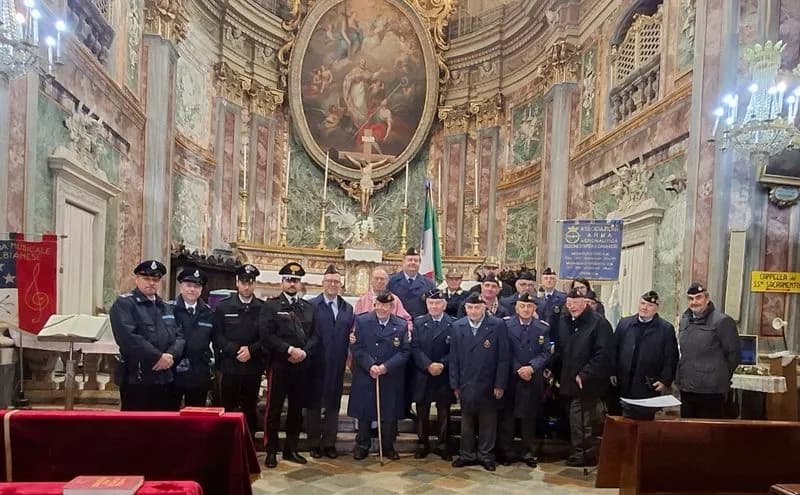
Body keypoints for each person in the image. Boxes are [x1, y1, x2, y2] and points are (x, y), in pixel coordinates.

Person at [261, 262, 317, 468]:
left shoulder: (308, 308)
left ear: (301, 283)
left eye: (296, 280)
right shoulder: (271, 306)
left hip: (301, 365)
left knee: (295, 409)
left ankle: (291, 449)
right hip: (280, 364)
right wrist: (288, 350)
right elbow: (266, 335)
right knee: (274, 409)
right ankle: (271, 450)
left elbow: (315, 336)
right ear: (282, 282)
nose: (292, 283)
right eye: (289, 280)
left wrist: (303, 352)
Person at [110, 260, 185, 411]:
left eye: (155, 279)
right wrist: (158, 357)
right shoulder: (125, 304)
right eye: (146, 279)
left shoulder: (165, 307)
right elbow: (128, 338)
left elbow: (180, 336)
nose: (151, 283)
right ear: (136, 279)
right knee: (136, 428)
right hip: (138, 378)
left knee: (164, 427)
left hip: (165, 378)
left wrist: (170, 355)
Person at [550, 288, 612, 467]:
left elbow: (603, 354)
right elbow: (561, 350)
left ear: (585, 303)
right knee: (573, 417)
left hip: (587, 381)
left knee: (581, 419)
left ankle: (584, 454)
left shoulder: (598, 323)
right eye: (569, 304)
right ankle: (577, 451)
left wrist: (585, 374)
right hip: (567, 379)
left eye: (576, 303)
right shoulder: (564, 321)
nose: (573, 307)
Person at [450, 293, 509, 471]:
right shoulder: (457, 326)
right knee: (466, 420)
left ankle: (485, 455)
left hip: (489, 382)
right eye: (470, 307)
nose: (473, 311)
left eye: (477, 307)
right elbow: (453, 359)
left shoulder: (497, 325)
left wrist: (500, 384)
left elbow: (503, 357)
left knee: (488, 421)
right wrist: (455, 384)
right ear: (465, 308)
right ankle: (466, 454)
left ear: (484, 307)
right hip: (466, 382)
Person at [348, 292, 410, 461]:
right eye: (380, 305)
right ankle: (362, 445)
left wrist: (385, 367)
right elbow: (357, 347)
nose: (383, 308)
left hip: (390, 375)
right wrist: (371, 365)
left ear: (392, 306)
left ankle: (388, 446)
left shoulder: (401, 324)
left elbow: (404, 352)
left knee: (389, 413)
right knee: (365, 411)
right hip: (367, 373)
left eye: (387, 305)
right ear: (374, 304)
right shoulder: (362, 321)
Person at [306, 265, 355, 459]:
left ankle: (329, 443)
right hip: (316, 362)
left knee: (333, 404)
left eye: (336, 281)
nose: (332, 285)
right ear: (323, 283)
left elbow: (349, 333)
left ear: (340, 284)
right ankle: (314, 443)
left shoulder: (347, 307)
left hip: (337, 362)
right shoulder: (311, 305)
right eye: (329, 281)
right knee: (314, 404)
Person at [211, 264, 265, 435]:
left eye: (250, 282)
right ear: (237, 282)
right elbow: (217, 336)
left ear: (255, 284)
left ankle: (248, 444)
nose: (247, 286)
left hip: (252, 366)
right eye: (243, 282)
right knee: (228, 406)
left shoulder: (263, 308)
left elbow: (267, 337)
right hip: (230, 366)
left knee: (250, 407)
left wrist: (252, 350)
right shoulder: (223, 307)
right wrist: (235, 350)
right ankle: (227, 443)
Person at [497, 293, 550, 467]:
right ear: (516, 307)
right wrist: (518, 368)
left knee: (529, 417)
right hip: (512, 377)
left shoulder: (542, 328)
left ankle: (528, 452)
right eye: (522, 306)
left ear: (534, 308)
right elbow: (504, 351)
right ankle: (507, 452)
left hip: (532, 378)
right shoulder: (506, 325)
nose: (526, 309)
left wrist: (531, 367)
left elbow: (545, 353)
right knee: (508, 418)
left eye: (529, 306)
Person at [676, 283, 741, 419]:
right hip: (688, 388)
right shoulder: (684, 321)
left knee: (710, 435)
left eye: (698, 297)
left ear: (707, 299)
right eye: (691, 298)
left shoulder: (722, 321)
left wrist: (719, 375)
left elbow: (734, 355)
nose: (694, 302)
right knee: (688, 433)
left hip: (712, 391)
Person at [612, 291, 678, 420]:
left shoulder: (665, 329)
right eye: (642, 303)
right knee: (622, 420)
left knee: (644, 421)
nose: (644, 308)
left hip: (648, 384)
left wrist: (665, 380)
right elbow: (614, 349)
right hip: (624, 382)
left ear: (656, 308)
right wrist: (612, 371)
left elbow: (671, 357)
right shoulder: (625, 324)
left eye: (649, 305)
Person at [411, 289, 455, 460]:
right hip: (424, 372)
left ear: (444, 305)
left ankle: (443, 444)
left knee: (444, 410)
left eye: (437, 303)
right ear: (426, 305)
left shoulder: (453, 324)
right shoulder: (419, 323)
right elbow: (415, 348)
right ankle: (423, 443)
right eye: (431, 303)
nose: (434, 306)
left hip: (443, 374)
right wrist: (428, 365)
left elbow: (456, 350)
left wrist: (442, 364)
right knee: (422, 409)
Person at [171, 266, 214, 408]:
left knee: (196, 415)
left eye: (196, 286)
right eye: (188, 285)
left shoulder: (208, 313)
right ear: (181, 286)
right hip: (174, 369)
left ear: (201, 289)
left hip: (198, 371)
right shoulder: (169, 309)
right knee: (170, 414)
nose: (192, 289)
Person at [387, 247, 436, 318]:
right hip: (396, 323)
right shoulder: (391, 281)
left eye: (416, 261)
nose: (413, 262)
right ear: (403, 262)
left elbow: (433, 305)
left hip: (419, 324)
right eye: (410, 260)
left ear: (419, 263)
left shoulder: (428, 283)